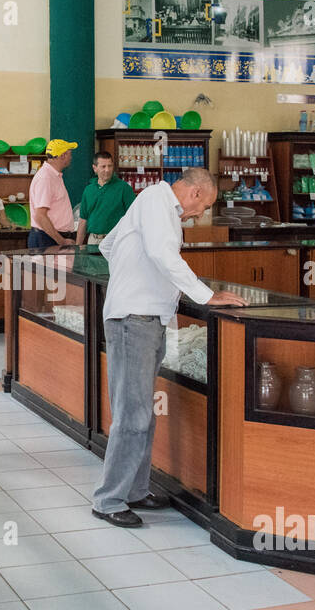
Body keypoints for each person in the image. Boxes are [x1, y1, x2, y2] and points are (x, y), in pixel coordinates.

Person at [91, 168, 248, 528]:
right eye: (203, 206)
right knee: (132, 415)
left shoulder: (155, 205)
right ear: (193, 192)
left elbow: (108, 245)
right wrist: (207, 296)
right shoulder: (156, 201)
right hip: (135, 319)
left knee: (142, 413)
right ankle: (109, 499)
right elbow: (163, 255)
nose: (200, 214)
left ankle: (135, 490)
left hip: (148, 318)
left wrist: (133, 276)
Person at [75, 150, 135, 245]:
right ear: (95, 168)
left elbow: (134, 217)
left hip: (115, 240)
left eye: (110, 166)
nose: (107, 170)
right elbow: (83, 220)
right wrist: (77, 248)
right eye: (103, 166)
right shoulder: (88, 190)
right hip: (92, 240)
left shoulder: (124, 188)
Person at [28, 139, 75, 248]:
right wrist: (61, 241)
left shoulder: (54, 175)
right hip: (47, 238)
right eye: (69, 154)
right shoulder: (46, 178)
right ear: (63, 155)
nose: (71, 157)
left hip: (51, 236)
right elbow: (40, 216)